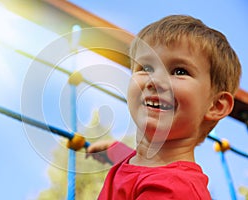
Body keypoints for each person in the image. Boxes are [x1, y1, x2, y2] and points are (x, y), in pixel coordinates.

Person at [86, 15, 242, 199]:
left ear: (215, 105)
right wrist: (116, 151)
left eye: (179, 71)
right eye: (146, 68)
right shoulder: (145, 165)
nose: (154, 80)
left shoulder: (174, 191)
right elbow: (141, 168)